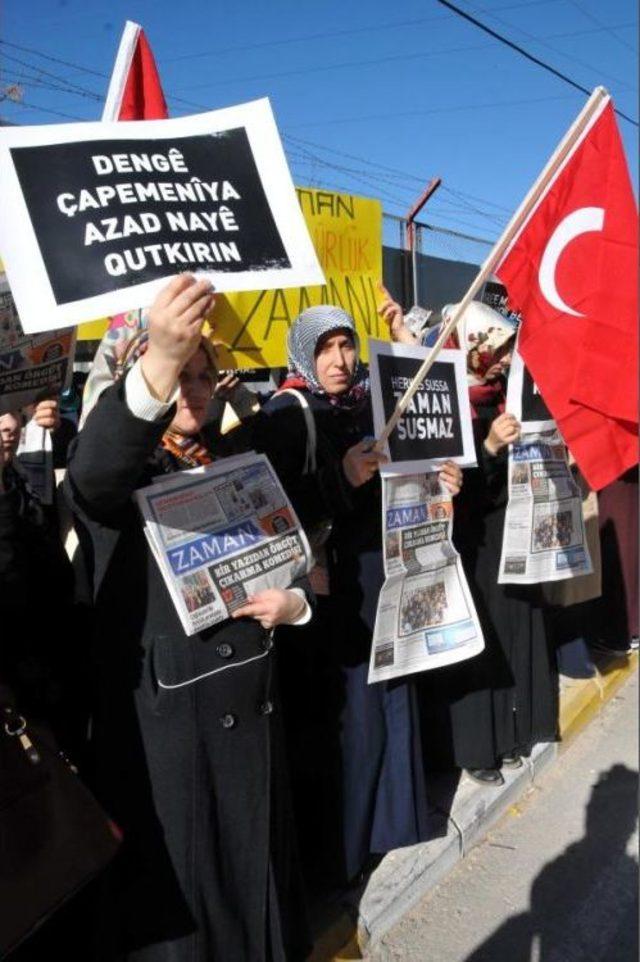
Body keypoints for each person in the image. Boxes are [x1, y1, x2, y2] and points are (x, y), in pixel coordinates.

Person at [65, 274, 314, 962]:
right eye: (180, 370)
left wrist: (295, 605)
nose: (194, 386)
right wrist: (161, 360)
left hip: (252, 730)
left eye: (205, 372)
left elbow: (291, 563)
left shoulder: (239, 463)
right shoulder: (120, 479)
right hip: (176, 744)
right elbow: (94, 473)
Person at [259, 304, 462, 887]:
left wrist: (445, 480)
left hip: (383, 574)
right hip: (333, 592)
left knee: (392, 694)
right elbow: (275, 515)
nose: (340, 361)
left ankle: (393, 820)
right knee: (352, 718)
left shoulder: (370, 407)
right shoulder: (286, 415)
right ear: (302, 352)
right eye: (324, 348)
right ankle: (345, 854)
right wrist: (339, 479)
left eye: (347, 345)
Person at [381, 295, 559, 787]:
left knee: (513, 632)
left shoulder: (506, 396)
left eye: (505, 349)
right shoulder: (446, 399)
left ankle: (514, 730)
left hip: (508, 536)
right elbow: (443, 487)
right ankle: (477, 747)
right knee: (481, 646)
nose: (502, 359)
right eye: (495, 348)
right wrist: (489, 447)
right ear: (471, 348)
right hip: (469, 544)